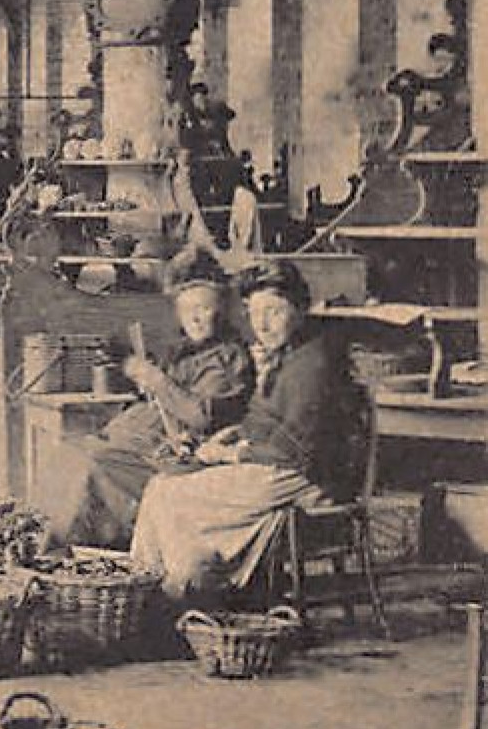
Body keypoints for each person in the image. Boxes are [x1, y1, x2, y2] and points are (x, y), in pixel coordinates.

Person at [130, 258, 361, 604]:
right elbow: (269, 421)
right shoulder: (291, 352)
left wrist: (230, 454)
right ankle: (166, 586)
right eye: (255, 314)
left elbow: (294, 449)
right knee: (164, 485)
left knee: (167, 493)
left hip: (307, 476)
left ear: (300, 308)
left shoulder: (313, 364)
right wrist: (233, 434)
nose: (263, 325)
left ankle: (174, 592)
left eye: (274, 312)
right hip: (283, 465)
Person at [28, 248, 254, 550]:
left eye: (204, 309)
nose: (195, 319)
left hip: (186, 460)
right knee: (67, 453)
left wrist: (157, 381)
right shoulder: (188, 351)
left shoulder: (228, 358)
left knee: (91, 464)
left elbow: (202, 416)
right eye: (188, 312)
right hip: (148, 444)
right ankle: (51, 551)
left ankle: (75, 557)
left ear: (221, 311)